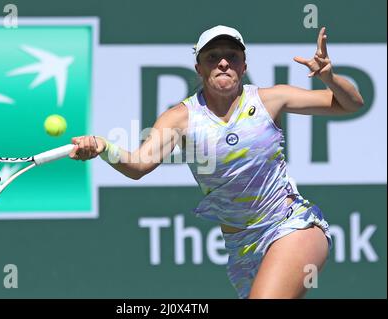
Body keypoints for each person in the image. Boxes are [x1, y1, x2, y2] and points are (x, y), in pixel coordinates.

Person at [69, 25, 364, 298]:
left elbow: (350, 104)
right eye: (212, 57)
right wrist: (104, 147)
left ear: (244, 66)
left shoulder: (270, 99)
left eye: (232, 56)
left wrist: (330, 78)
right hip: (241, 250)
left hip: (291, 225)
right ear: (199, 68)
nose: (223, 62)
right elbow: (138, 165)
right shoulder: (180, 118)